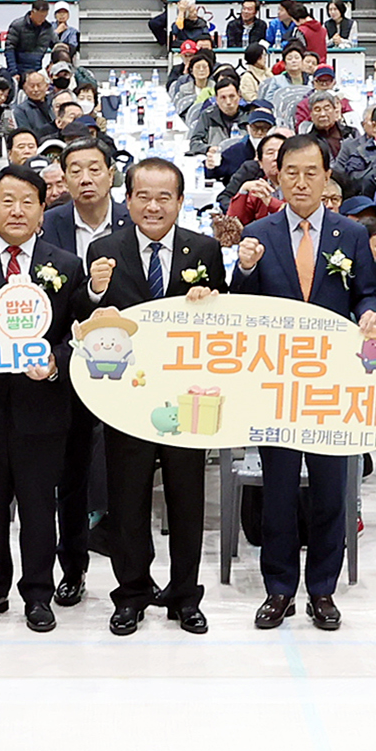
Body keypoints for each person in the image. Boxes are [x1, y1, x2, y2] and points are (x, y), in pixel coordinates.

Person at [228, 131, 376, 631]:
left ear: (326, 177)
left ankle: (322, 591)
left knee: (332, 488)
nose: (301, 181)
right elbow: (241, 307)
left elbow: (366, 293)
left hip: (330, 384)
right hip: (275, 386)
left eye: (311, 172)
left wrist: (370, 317)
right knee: (278, 489)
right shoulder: (262, 233)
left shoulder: (350, 235)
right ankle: (278, 589)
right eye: (291, 171)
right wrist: (245, 271)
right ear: (277, 175)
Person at [79, 157, 218, 635]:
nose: (153, 206)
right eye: (143, 195)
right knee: (128, 499)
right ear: (128, 198)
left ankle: (185, 595)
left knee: (187, 498)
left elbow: (222, 323)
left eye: (165, 197)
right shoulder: (104, 249)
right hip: (127, 397)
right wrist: (96, 296)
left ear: (181, 201)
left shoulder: (204, 249)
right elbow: (85, 321)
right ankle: (132, 592)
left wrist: (210, 301)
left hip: (187, 395)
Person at [0, 163, 86, 631]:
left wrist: (53, 363)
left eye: (28, 201)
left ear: (44, 211)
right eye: (7, 200)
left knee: (37, 501)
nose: (17, 210)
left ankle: (39, 593)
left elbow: (79, 335)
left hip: (42, 404)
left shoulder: (65, 265)